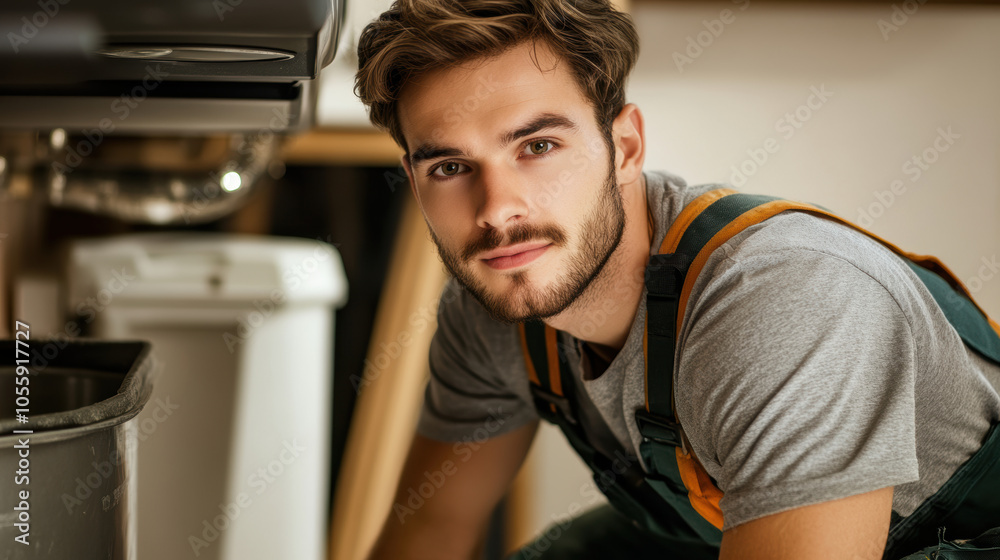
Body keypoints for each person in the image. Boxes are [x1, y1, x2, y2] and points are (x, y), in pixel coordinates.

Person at [353, 1, 1000, 558]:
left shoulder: (783, 301)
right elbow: (431, 533)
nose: (496, 211)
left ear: (626, 147)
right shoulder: (491, 310)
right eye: (450, 168)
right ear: (413, 183)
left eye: (537, 147)